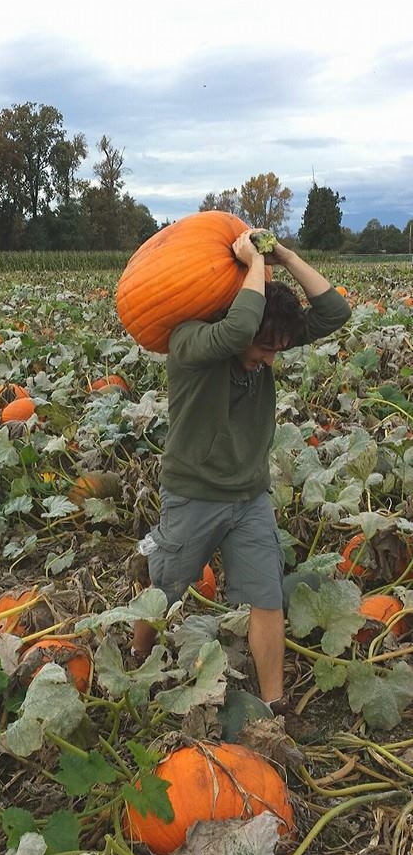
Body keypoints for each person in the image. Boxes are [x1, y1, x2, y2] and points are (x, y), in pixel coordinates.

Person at [129, 231, 351, 710]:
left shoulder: (259, 338)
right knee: (164, 588)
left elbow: (335, 312)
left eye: (277, 349)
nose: (270, 359)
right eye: (265, 349)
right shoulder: (190, 341)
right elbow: (238, 329)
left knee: (267, 595)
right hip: (193, 493)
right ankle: (136, 657)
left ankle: (274, 705)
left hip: (249, 496)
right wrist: (251, 262)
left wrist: (284, 256)